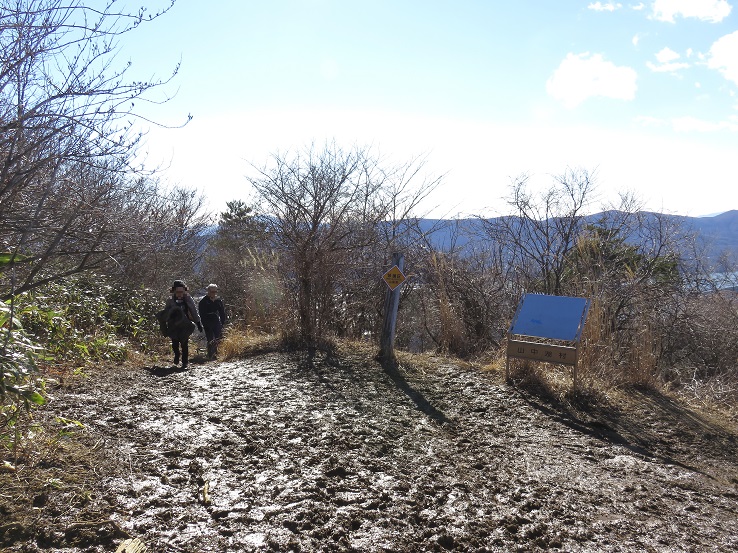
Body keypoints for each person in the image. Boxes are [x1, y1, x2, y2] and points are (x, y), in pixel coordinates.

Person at [161, 280, 202, 369]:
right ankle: (177, 355)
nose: (180, 294)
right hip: (173, 325)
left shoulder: (188, 299)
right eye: (178, 292)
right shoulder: (170, 300)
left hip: (185, 324)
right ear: (174, 291)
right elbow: (165, 313)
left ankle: (185, 362)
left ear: (184, 291)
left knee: (184, 343)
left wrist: (198, 323)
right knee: (174, 343)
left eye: (181, 292)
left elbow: (193, 311)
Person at [198, 283, 227, 360]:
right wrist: (205, 324)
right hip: (207, 321)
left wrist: (223, 322)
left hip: (216, 320)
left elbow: (222, 312)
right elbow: (202, 315)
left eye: (215, 292)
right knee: (210, 339)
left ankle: (218, 354)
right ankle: (211, 355)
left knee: (219, 338)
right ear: (208, 291)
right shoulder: (203, 302)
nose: (213, 293)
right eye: (212, 291)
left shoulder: (218, 301)